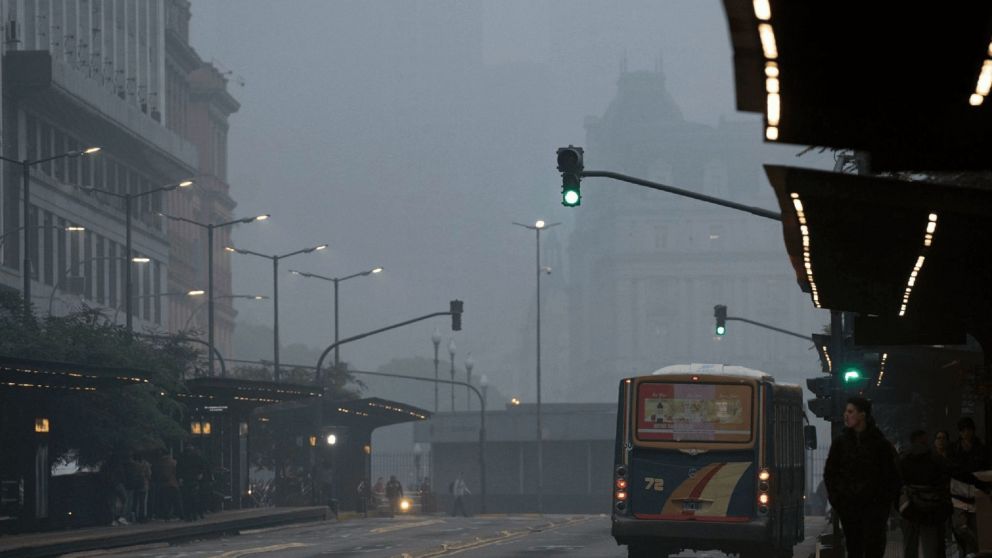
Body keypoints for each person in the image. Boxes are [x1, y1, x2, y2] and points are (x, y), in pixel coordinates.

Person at [823, 397, 900, 558]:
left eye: (850, 411)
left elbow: (891, 476)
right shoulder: (840, 443)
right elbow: (830, 474)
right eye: (846, 411)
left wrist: (882, 504)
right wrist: (838, 500)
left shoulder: (880, 445)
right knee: (854, 549)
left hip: (874, 510)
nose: (846, 415)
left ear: (862, 415)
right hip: (850, 509)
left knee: (873, 548)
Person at [897, 430, 951, 558]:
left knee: (910, 543)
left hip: (909, 504)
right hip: (930, 505)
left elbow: (896, 481)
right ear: (922, 440)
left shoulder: (903, 458)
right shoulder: (934, 458)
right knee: (931, 545)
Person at [948, 417, 991, 557]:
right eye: (964, 430)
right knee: (961, 527)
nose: (966, 433)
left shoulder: (982, 448)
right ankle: (970, 552)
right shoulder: (954, 449)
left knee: (973, 527)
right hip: (960, 493)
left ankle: (970, 553)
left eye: (969, 429)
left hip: (975, 493)